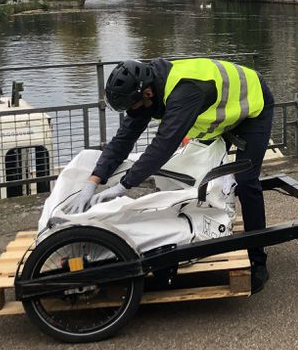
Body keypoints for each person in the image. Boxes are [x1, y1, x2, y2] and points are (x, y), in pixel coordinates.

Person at [67, 58, 275, 293]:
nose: (131, 112)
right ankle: (203, 226)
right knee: (196, 174)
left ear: (146, 93)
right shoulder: (150, 91)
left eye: (132, 106)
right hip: (217, 116)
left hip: (252, 108)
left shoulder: (185, 92)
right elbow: (123, 139)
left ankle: (259, 260)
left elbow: (163, 146)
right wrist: (92, 181)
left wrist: (124, 185)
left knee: (246, 182)